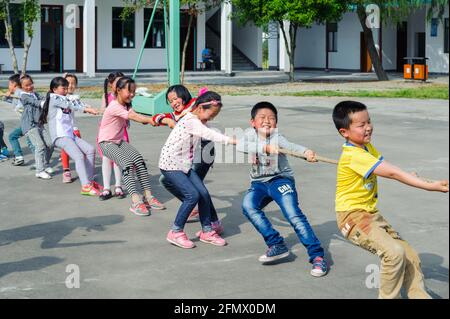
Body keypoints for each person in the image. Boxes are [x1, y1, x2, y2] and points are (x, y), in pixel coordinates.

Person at [332, 100, 449, 298]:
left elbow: (388, 167)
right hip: (352, 217)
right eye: (361, 125)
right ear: (345, 132)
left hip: (370, 215)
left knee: (410, 256)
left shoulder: (366, 148)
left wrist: (411, 175)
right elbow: (393, 174)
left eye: (369, 121)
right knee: (394, 253)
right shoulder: (353, 155)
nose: (368, 127)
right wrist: (430, 186)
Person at [237, 102, 328, 277]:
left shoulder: (278, 138)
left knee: (293, 214)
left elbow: (293, 147)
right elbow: (241, 146)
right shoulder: (249, 135)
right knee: (248, 206)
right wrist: (263, 147)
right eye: (262, 118)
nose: (267, 121)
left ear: (276, 123)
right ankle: (276, 244)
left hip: (280, 180)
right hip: (258, 183)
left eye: (271, 118)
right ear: (253, 122)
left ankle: (317, 256)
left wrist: (307, 152)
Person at [159, 91, 236, 249]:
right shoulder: (191, 121)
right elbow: (210, 134)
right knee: (192, 195)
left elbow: (209, 130)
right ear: (200, 108)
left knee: (203, 193)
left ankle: (207, 231)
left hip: (184, 164)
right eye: (210, 115)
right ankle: (176, 231)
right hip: (171, 165)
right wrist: (234, 141)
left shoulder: (196, 118)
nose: (211, 119)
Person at [97, 76, 165, 215]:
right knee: (127, 163)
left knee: (139, 160)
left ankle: (148, 197)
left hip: (119, 141)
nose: (132, 94)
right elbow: (134, 117)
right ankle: (135, 200)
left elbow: (135, 114)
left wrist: (154, 119)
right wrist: (151, 120)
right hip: (106, 142)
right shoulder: (115, 106)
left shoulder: (126, 105)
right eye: (129, 91)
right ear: (118, 90)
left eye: (134, 91)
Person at [155, 85, 219, 224]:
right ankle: (193, 204)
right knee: (165, 180)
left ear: (184, 96)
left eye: (176, 98)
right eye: (170, 101)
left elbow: (203, 102)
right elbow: (156, 117)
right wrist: (166, 120)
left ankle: (212, 221)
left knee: (199, 190)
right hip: (187, 156)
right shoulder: (175, 114)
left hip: (203, 152)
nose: (173, 103)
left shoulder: (194, 105)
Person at [39, 76, 102, 196]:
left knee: (90, 150)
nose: (66, 90)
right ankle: (85, 186)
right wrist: (87, 110)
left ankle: (89, 181)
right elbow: (70, 105)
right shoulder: (54, 98)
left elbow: (76, 103)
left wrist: (90, 107)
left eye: (67, 88)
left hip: (70, 135)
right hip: (60, 136)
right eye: (64, 88)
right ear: (54, 89)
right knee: (78, 156)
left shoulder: (63, 98)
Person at [98, 71, 127, 200]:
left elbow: (130, 112)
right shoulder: (106, 97)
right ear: (111, 84)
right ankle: (106, 188)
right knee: (106, 159)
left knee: (118, 159)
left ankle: (118, 186)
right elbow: (102, 111)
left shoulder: (124, 97)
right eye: (117, 83)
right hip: (107, 133)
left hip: (121, 132)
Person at [19, 74, 54, 180]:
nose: (29, 87)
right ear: (22, 87)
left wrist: (50, 97)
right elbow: (35, 102)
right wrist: (43, 102)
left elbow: (44, 100)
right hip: (30, 125)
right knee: (39, 146)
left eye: (30, 84)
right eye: (26, 85)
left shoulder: (35, 94)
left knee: (50, 144)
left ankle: (44, 164)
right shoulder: (24, 96)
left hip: (39, 123)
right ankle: (39, 171)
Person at [60, 73, 89, 183]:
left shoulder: (75, 97)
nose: (70, 85)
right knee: (65, 149)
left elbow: (80, 104)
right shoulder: (59, 97)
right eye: (67, 83)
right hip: (63, 130)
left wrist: (88, 107)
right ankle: (66, 171)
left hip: (74, 128)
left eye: (73, 83)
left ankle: (85, 169)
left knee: (82, 149)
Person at [3, 74, 35, 166]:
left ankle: (41, 161)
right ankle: (20, 157)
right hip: (27, 122)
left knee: (14, 137)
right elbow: (15, 103)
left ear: (14, 85)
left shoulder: (19, 93)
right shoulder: (18, 93)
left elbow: (19, 105)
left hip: (28, 123)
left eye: (9, 84)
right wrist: (7, 96)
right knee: (29, 141)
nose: (9, 86)